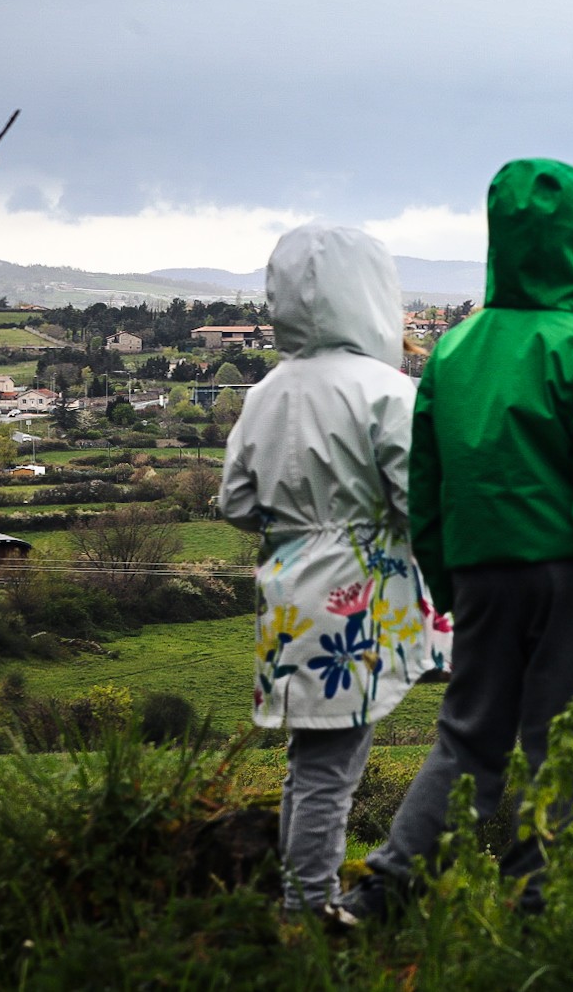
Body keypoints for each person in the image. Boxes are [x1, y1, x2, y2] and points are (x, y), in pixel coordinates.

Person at [352, 158, 573, 914]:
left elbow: (428, 486)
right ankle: (536, 915)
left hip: (481, 576)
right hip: (571, 584)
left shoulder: (453, 354)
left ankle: (382, 893)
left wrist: (452, 587)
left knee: (465, 740)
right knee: (565, 750)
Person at [220, 224, 445, 921]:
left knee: (311, 754)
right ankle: (306, 909)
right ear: (375, 297)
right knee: (331, 768)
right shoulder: (385, 391)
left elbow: (234, 501)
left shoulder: (265, 392)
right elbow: (422, 500)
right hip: (362, 597)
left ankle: (303, 895)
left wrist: (297, 521)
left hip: (289, 592)